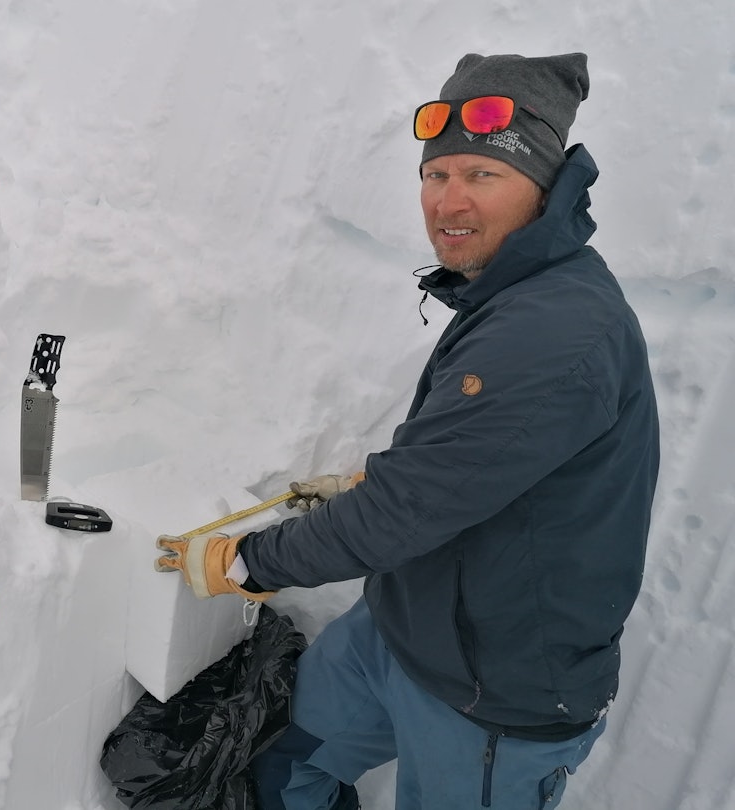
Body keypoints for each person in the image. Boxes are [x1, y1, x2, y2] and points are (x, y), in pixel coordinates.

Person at [155, 52, 660, 809]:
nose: (449, 201)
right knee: (291, 765)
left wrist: (249, 563)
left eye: (483, 176)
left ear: (545, 185)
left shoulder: (555, 330)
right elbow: (469, 463)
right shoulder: (513, 289)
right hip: (398, 632)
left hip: (496, 699)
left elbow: (405, 512)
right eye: (436, 174)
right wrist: (371, 480)